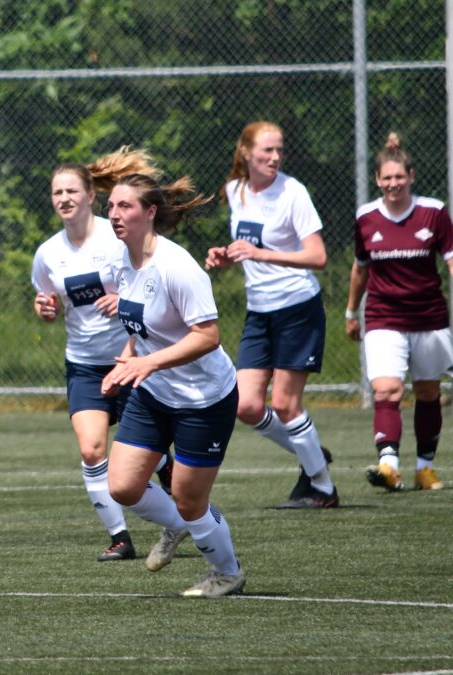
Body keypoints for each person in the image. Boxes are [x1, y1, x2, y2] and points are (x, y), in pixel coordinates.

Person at [103, 172, 245, 597]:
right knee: (123, 487)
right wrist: (126, 362)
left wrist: (146, 362)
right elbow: (142, 325)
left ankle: (227, 572)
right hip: (154, 393)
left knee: (189, 499)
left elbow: (208, 336)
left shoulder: (177, 266)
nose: (114, 214)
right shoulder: (120, 260)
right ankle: (178, 526)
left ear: (150, 213)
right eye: (110, 206)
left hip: (205, 399)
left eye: (124, 206)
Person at [31, 150, 175, 563]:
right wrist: (47, 310)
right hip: (82, 363)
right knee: (93, 450)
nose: (64, 198)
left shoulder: (115, 237)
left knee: (147, 454)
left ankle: (169, 484)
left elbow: (146, 283)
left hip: (129, 360)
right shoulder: (48, 254)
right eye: (57, 192)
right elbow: (47, 303)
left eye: (72, 190)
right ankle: (120, 537)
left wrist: (122, 299)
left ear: (91, 194)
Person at [205, 120, 337, 509]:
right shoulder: (235, 190)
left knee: (285, 404)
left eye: (279, 150)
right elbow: (247, 248)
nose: (275, 157)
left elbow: (318, 256)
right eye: (266, 151)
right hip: (259, 312)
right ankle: (311, 452)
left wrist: (260, 254)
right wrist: (226, 256)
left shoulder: (292, 192)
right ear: (245, 152)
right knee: (245, 405)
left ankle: (323, 488)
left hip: (297, 308)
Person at [347, 132, 453, 492]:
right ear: (378, 180)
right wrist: (350, 312)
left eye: (399, 177)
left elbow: (451, 261)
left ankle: (425, 468)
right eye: (386, 178)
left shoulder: (434, 212)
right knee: (387, 390)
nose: (393, 184)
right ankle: (389, 465)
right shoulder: (365, 217)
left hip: (429, 318)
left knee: (427, 392)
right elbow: (360, 268)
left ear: (411, 176)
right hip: (383, 317)